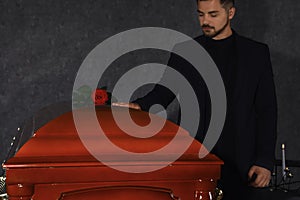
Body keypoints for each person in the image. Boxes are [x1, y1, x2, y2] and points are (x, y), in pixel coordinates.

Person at [114, 0, 277, 199]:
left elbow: (267, 110)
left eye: (213, 15)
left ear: (231, 13)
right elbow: (164, 92)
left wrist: (264, 161)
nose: (205, 21)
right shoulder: (186, 51)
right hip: (197, 158)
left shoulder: (256, 53)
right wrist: (139, 105)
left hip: (243, 164)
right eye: (201, 14)